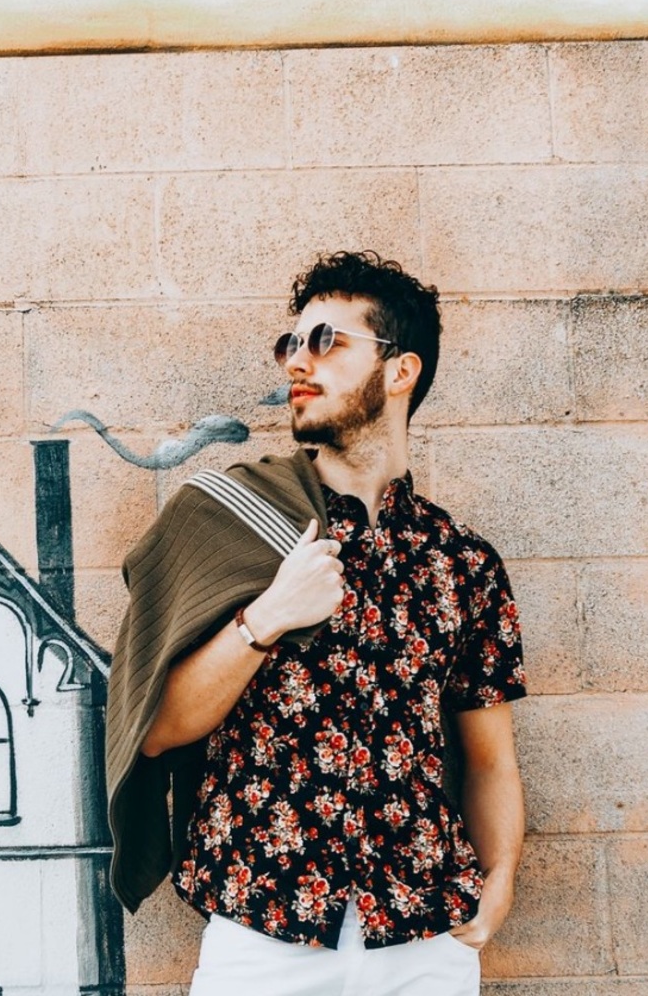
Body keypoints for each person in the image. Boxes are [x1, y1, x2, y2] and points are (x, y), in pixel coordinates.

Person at [107, 250, 526, 996]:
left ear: (401, 371)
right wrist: (268, 617)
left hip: (425, 937)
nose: (299, 362)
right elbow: (160, 727)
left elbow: (489, 758)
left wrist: (498, 885)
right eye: (291, 344)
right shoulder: (227, 516)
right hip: (265, 936)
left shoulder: (460, 560)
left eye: (327, 341)